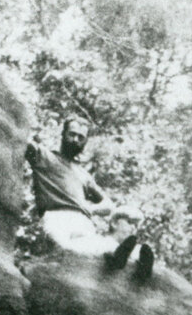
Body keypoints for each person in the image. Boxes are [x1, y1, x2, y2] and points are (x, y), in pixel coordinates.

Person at [26, 116, 154, 282]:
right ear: (63, 134)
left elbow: (108, 205)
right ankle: (121, 258)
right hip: (56, 215)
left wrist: (90, 208)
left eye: (81, 137)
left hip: (82, 220)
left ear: (85, 142)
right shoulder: (43, 155)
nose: (75, 140)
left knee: (102, 247)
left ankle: (139, 260)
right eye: (72, 134)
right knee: (67, 251)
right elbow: (22, 141)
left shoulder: (83, 174)